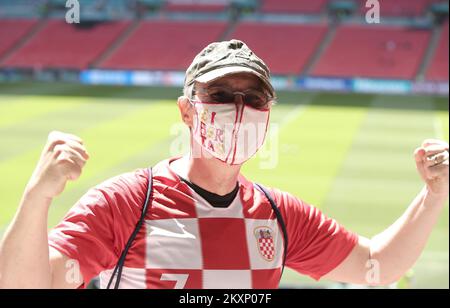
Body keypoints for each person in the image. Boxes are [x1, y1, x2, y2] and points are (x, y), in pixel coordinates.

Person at [0, 40, 448, 289]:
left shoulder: (277, 214)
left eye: (252, 98)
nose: (238, 110)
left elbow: (378, 266)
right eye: (219, 96)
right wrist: (37, 197)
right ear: (187, 110)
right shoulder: (127, 203)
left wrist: (434, 193)